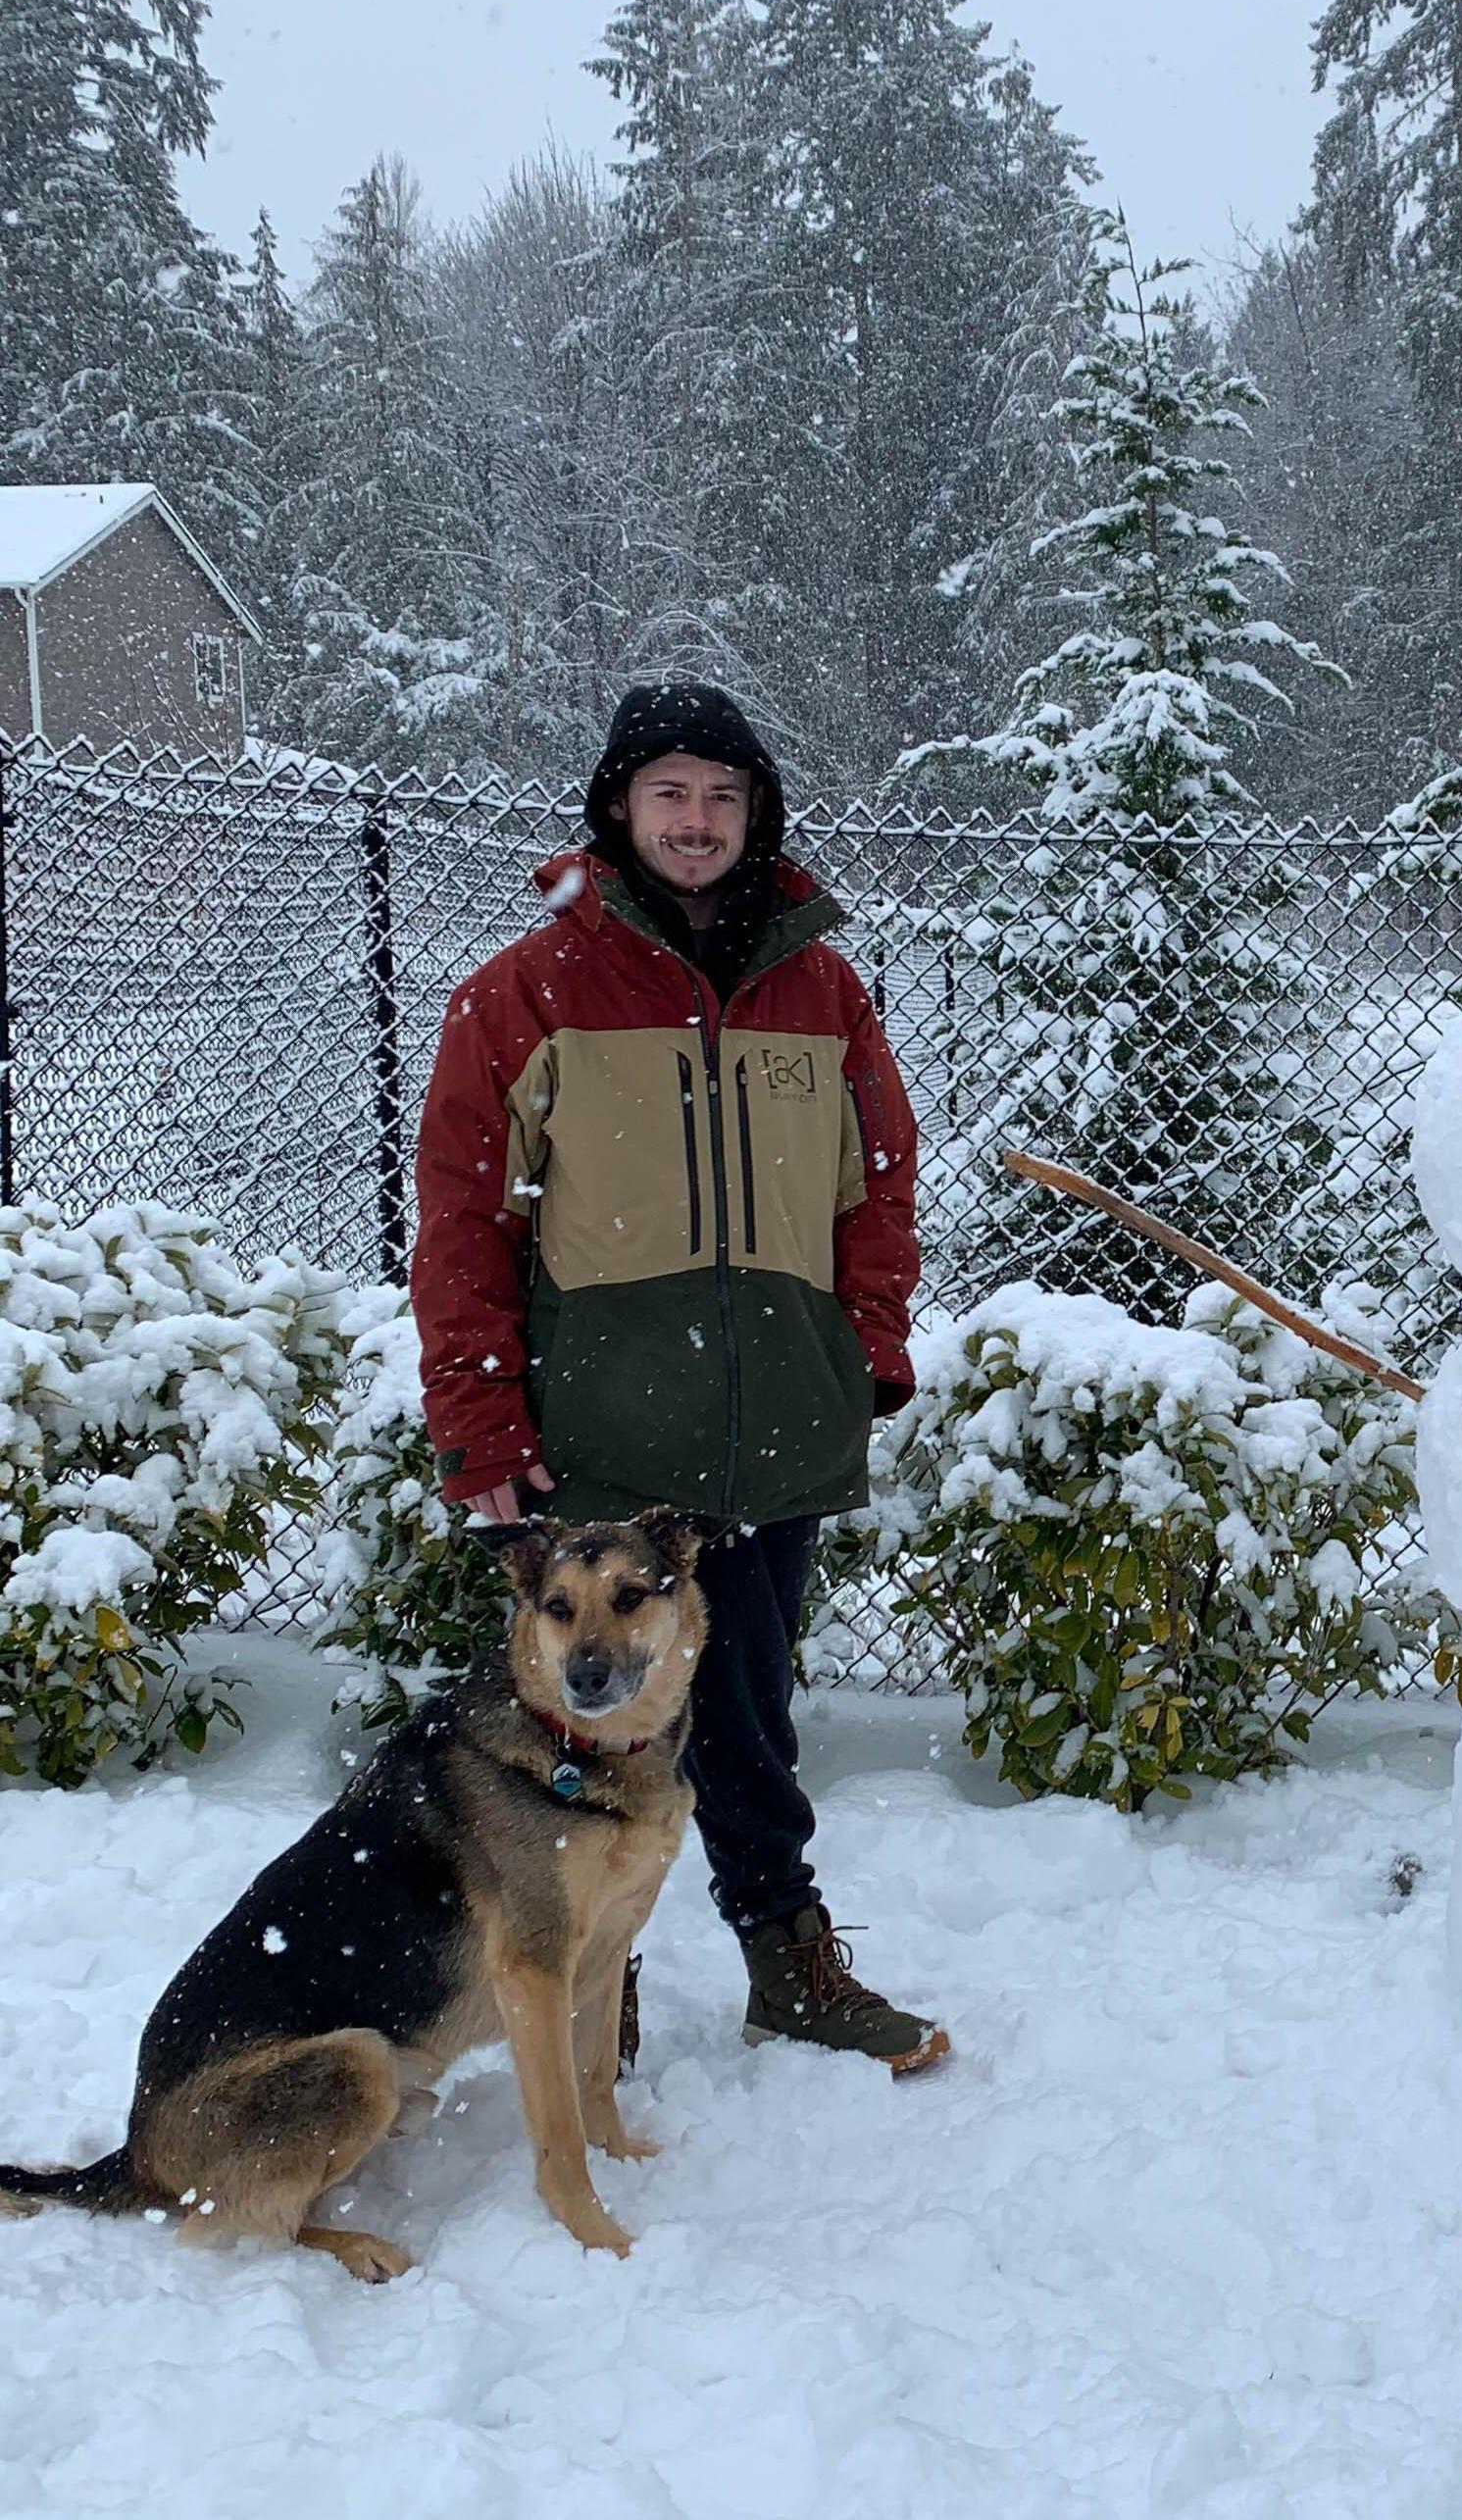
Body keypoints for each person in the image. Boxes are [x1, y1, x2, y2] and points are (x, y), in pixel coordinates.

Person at [412, 681, 948, 2073]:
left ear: (754, 812)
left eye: (722, 794)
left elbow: (876, 1183)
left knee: (751, 1716)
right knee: (587, 1721)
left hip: (772, 1428)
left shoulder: (821, 986)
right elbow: (462, 1218)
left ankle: (788, 1959)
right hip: (601, 1436)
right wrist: (482, 1425)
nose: (696, 819)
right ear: (618, 810)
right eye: (669, 793)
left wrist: (866, 1346)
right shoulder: (522, 991)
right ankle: (600, 1975)